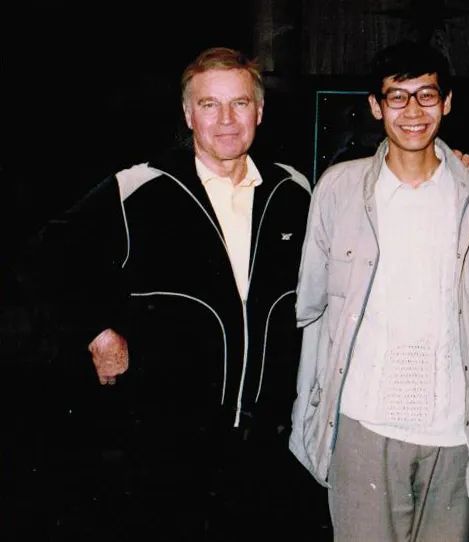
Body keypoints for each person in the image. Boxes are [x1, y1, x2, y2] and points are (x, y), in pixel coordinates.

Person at [32, 47, 328, 540]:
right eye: (210, 105)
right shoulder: (140, 187)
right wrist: (98, 331)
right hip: (166, 445)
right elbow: (46, 258)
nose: (226, 120)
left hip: (268, 442)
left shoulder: (294, 191)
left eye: (239, 103)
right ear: (189, 114)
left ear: (259, 110)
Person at [288, 40, 469, 541]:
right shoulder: (338, 189)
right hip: (361, 426)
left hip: (456, 434)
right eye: (397, 97)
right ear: (376, 107)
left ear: (447, 103)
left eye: (426, 95)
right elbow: (310, 306)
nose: (413, 111)